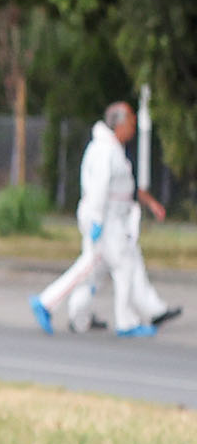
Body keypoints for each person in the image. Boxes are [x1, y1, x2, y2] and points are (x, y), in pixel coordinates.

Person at [35, 102, 174, 336]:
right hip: (106, 218)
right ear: (119, 123)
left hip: (111, 217)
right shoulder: (105, 150)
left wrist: (148, 203)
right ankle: (124, 323)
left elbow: (124, 186)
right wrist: (98, 221)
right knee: (118, 265)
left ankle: (66, 311)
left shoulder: (111, 147)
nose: (133, 127)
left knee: (93, 269)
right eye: (130, 121)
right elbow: (99, 188)